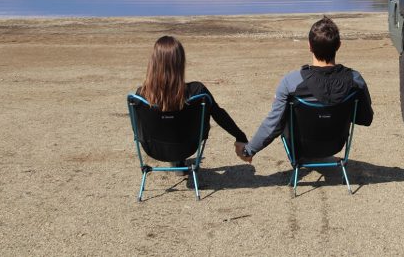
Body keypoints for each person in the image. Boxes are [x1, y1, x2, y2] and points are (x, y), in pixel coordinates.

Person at [239, 16, 373, 162]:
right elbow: (366, 118)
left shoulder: (291, 82)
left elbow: (273, 124)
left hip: (300, 147)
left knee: (281, 117)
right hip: (336, 143)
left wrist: (249, 150)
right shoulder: (355, 79)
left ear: (310, 46)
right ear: (339, 45)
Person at [135, 35, 248, 166]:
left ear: (153, 62)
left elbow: (137, 127)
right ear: (180, 62)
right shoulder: (197, 91)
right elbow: (219, 114)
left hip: (153, 149)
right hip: (187, 146)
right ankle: (178, 159)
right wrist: (240, 136)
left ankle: (176, 160)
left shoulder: (141, 95)